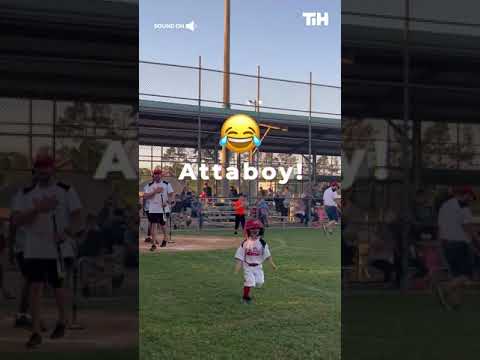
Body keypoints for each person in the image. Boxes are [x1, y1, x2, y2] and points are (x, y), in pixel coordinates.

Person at [12, 153, 82, 348]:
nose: (43, 171)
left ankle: (62, 320)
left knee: (58, 286)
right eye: (40, 167)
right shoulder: (25, 193)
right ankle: (35, 331)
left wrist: (66, 233)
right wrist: (38, 210)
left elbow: (77, 217)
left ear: (52, 169)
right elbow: (16, 220)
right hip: (34, 247)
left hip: (58, 247)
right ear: (35, 170)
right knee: (35, 287)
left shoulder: (66, 191)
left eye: (46, 167)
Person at [436, 186, 479, 310]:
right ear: (466, 195)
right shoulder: (463, 207)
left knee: (457, 276)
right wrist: (477, 241)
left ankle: (456, 303)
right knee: (466, 275)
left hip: (446, 244)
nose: (471, 200)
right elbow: (468, 228)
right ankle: (445, 288)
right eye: (471, 197)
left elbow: (440, 227)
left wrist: (440, 245)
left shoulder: (444, 205)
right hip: (459, 244)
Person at [234, 219, 277, 304]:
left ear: (260, 230)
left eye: (257, 228)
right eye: (252, 228)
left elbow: (267, 255)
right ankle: (245, 297)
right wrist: (237, 267)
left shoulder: (262, 243)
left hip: (258, 267)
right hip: (248, 266)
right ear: (248, 230)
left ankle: (249, 285)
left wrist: (272, 264)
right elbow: (240, 257)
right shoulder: (245, 243)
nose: (255, 230)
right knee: (250, 282)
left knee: (260, 282)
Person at [143, 168, 174, 250]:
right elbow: (145, 196)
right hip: (153, 208)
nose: (157, 175)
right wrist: (154, 192)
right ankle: (153, 244)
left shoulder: (167, 184)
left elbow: (171, 195)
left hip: (163, 209)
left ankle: (165, 239)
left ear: (161, 175)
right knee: (154, 225)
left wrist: (167, 202)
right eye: (155, 174)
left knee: (163, 225)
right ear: (153, 175)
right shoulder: (149, 185)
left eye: (159, 174)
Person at [143, 175, 153, 243]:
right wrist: (144, 207)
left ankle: (149, 236)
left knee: (152, 222)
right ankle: (150, 237)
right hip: (149, 207)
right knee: (152, 222)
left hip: (154, 207)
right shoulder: (147, 186)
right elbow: (144, 197)